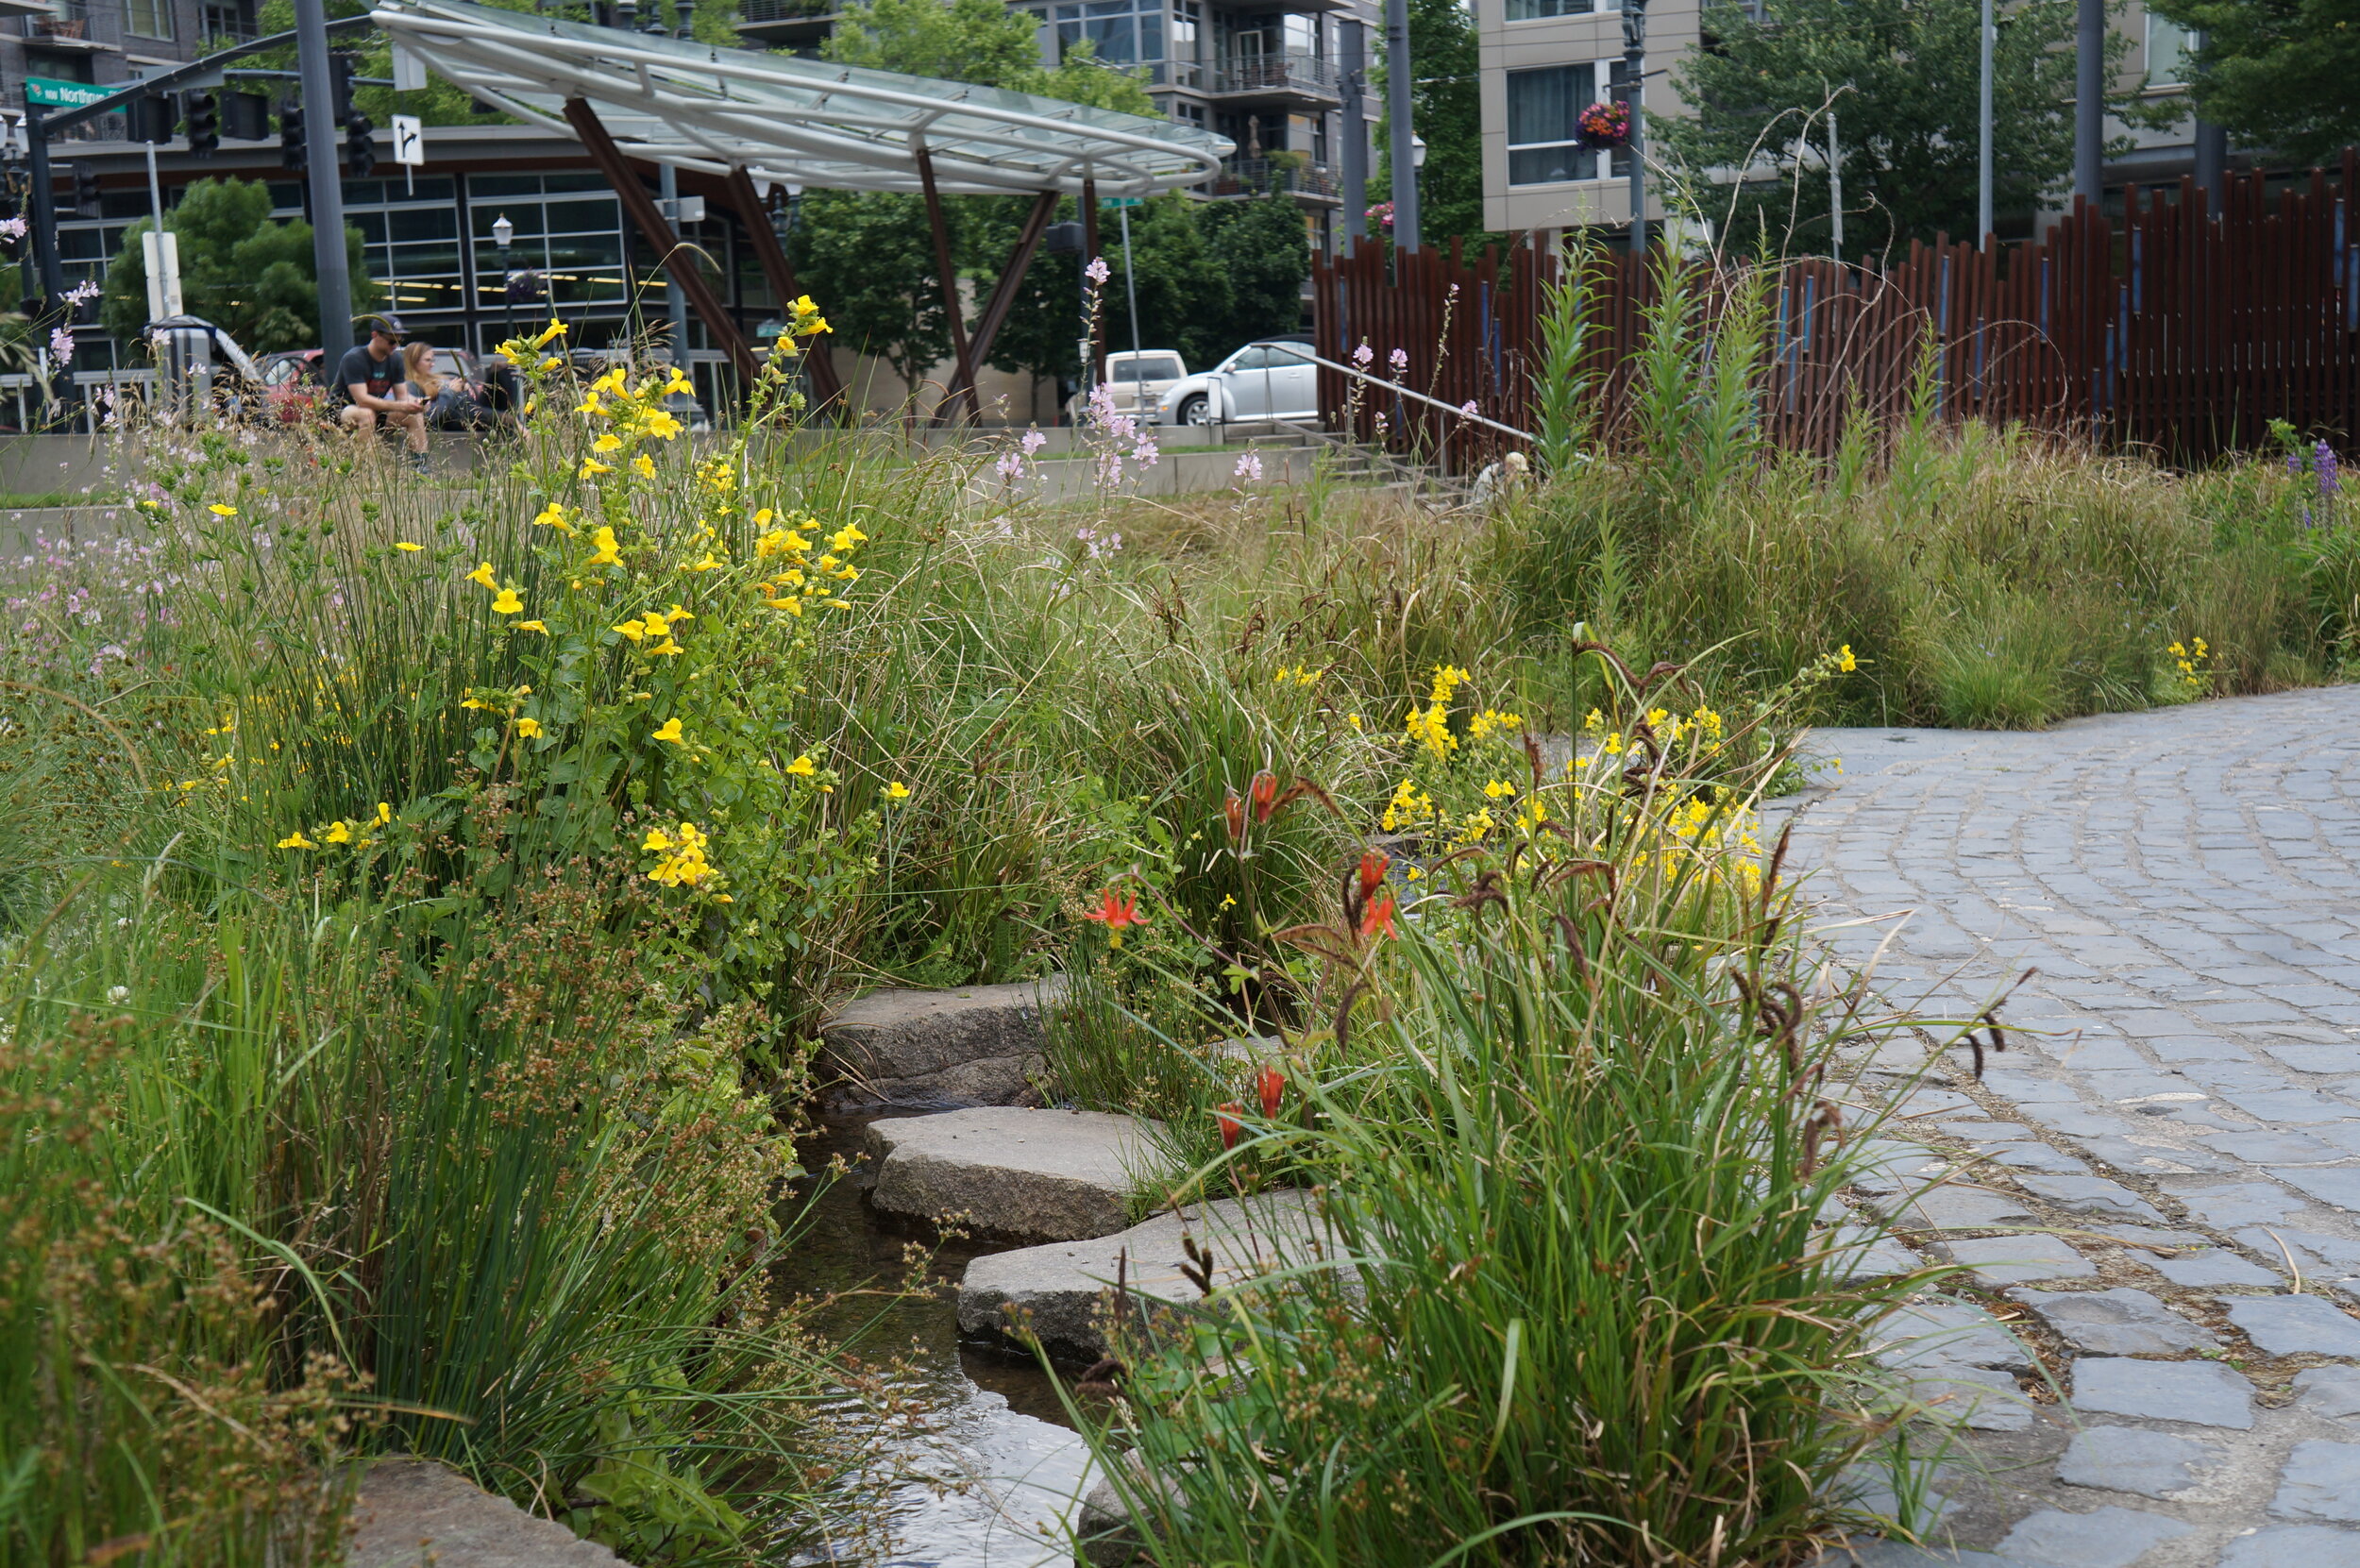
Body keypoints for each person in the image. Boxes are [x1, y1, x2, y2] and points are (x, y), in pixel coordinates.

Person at [331, 315, 429, 471]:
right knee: (366, 414)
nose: (395, 345)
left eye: (399, 340)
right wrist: (400, 405)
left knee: (414, 416)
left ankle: (420, 468)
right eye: (391, 341)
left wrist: (415, 403)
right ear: (375, 335)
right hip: (344, 411)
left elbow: (402, 397)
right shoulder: (355, 358)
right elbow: (362, 400)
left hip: (376, 411)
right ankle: (364, 468)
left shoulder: (395, 360)